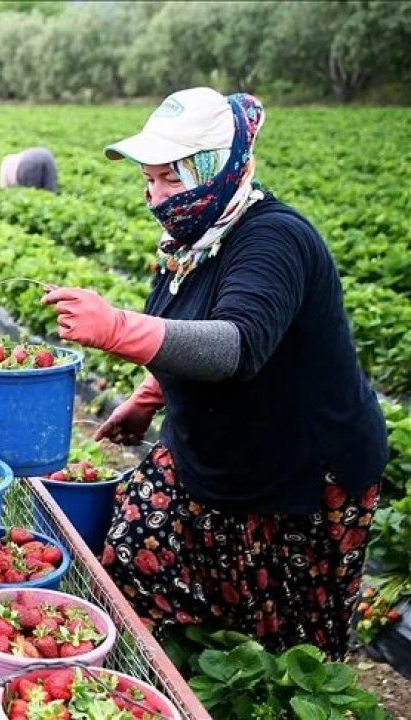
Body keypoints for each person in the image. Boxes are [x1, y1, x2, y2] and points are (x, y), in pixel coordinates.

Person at [41, 88, 387, 658]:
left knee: (281, 649)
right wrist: (150, 397)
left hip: (296, 472)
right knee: (131, 557)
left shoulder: (275, 239)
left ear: (220, 168)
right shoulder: (193, 241)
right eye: (150, 180)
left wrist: (117, 328)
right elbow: (188, 321)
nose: (156, 196)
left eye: (172, 179)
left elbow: (237, 344)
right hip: (207, 447)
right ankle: (163, 677)